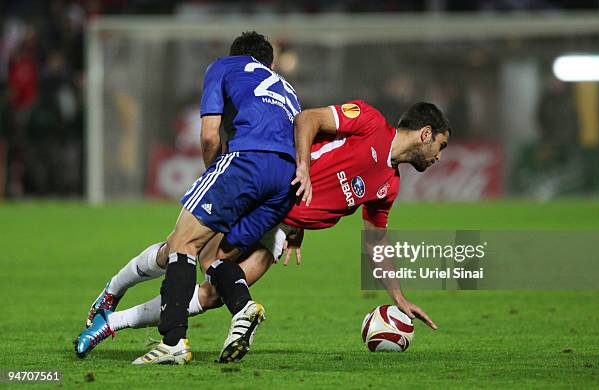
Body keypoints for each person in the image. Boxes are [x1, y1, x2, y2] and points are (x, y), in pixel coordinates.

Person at [76, 100, 451, 359]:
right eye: (441, 145)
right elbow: (307, 120)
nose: (439, 156)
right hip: (265, 195)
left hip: (281, 229)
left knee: (213, 295)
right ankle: (114, 289)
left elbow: (375, 242)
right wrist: (302, 167)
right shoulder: (368, 120)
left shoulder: (390, 184)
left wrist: (399, 297)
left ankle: (111, 325)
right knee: (180, 253)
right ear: (425, 132)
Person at [75, 31, 302, 365]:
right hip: (286, 182)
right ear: (270, 63)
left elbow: (210, 136)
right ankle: (241, 307)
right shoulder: (290, 91)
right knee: (213, 261)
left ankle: (172, 341)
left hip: (248, 162)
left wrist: (216, 175)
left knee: (182, 244)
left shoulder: (224, 66)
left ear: (237, 55)